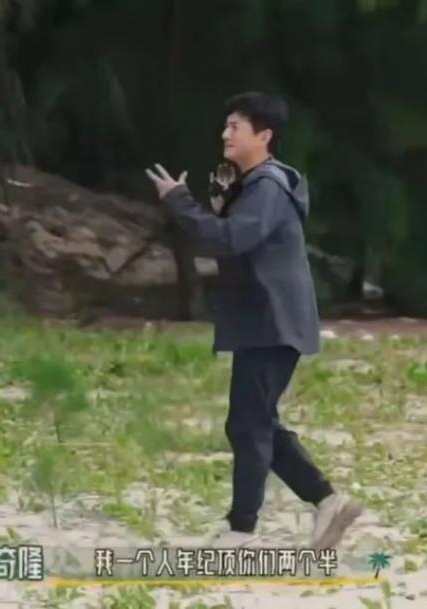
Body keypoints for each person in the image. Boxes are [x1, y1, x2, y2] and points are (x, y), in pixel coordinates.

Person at [145, 91, 363, 549]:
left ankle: (242, 529)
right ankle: (327, 501)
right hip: (264, 321)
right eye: (225, 125)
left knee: (249, 424)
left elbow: (229, 240)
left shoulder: (267, 186)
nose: (225, 133)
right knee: (254, 421)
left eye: (236, 127)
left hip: (274, 321)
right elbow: (229, 235)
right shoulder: (254, 185)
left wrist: (179, 201)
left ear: (263, 136)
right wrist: (211, 202)